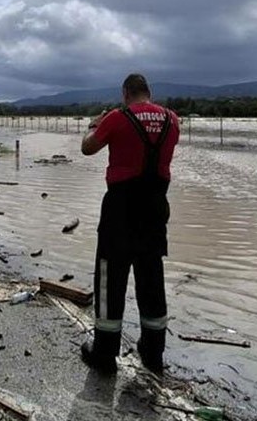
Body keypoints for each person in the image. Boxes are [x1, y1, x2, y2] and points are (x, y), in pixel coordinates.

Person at [79, 73, 180, 374]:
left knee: (111, 277)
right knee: (151, 276)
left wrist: (93, 126)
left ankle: (105, 354)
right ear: (149, 92)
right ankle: (153, 353)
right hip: (155, 207)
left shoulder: (116, 117)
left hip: (121, 208)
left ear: (125, 93)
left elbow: (87, 148)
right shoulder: (172, 120)